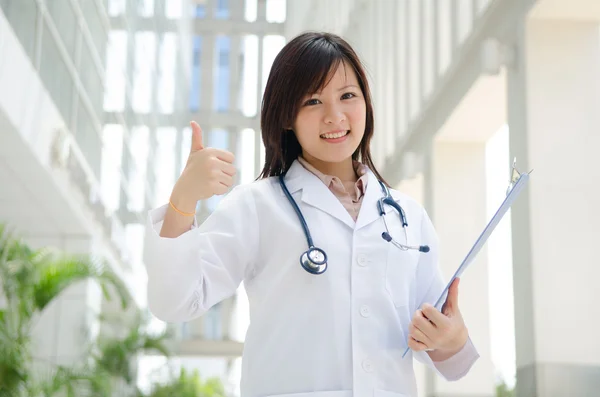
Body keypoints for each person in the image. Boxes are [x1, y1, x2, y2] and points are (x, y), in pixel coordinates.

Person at [145, 32, 479, 397]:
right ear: (286, 116)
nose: (334, 116)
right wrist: (184, 198)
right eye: (313, 101)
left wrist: (452, 337)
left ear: (366, 103)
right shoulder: (258, 207)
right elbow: (174, 301)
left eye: (347, 96)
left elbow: (443, 349)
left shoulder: (406, 216)